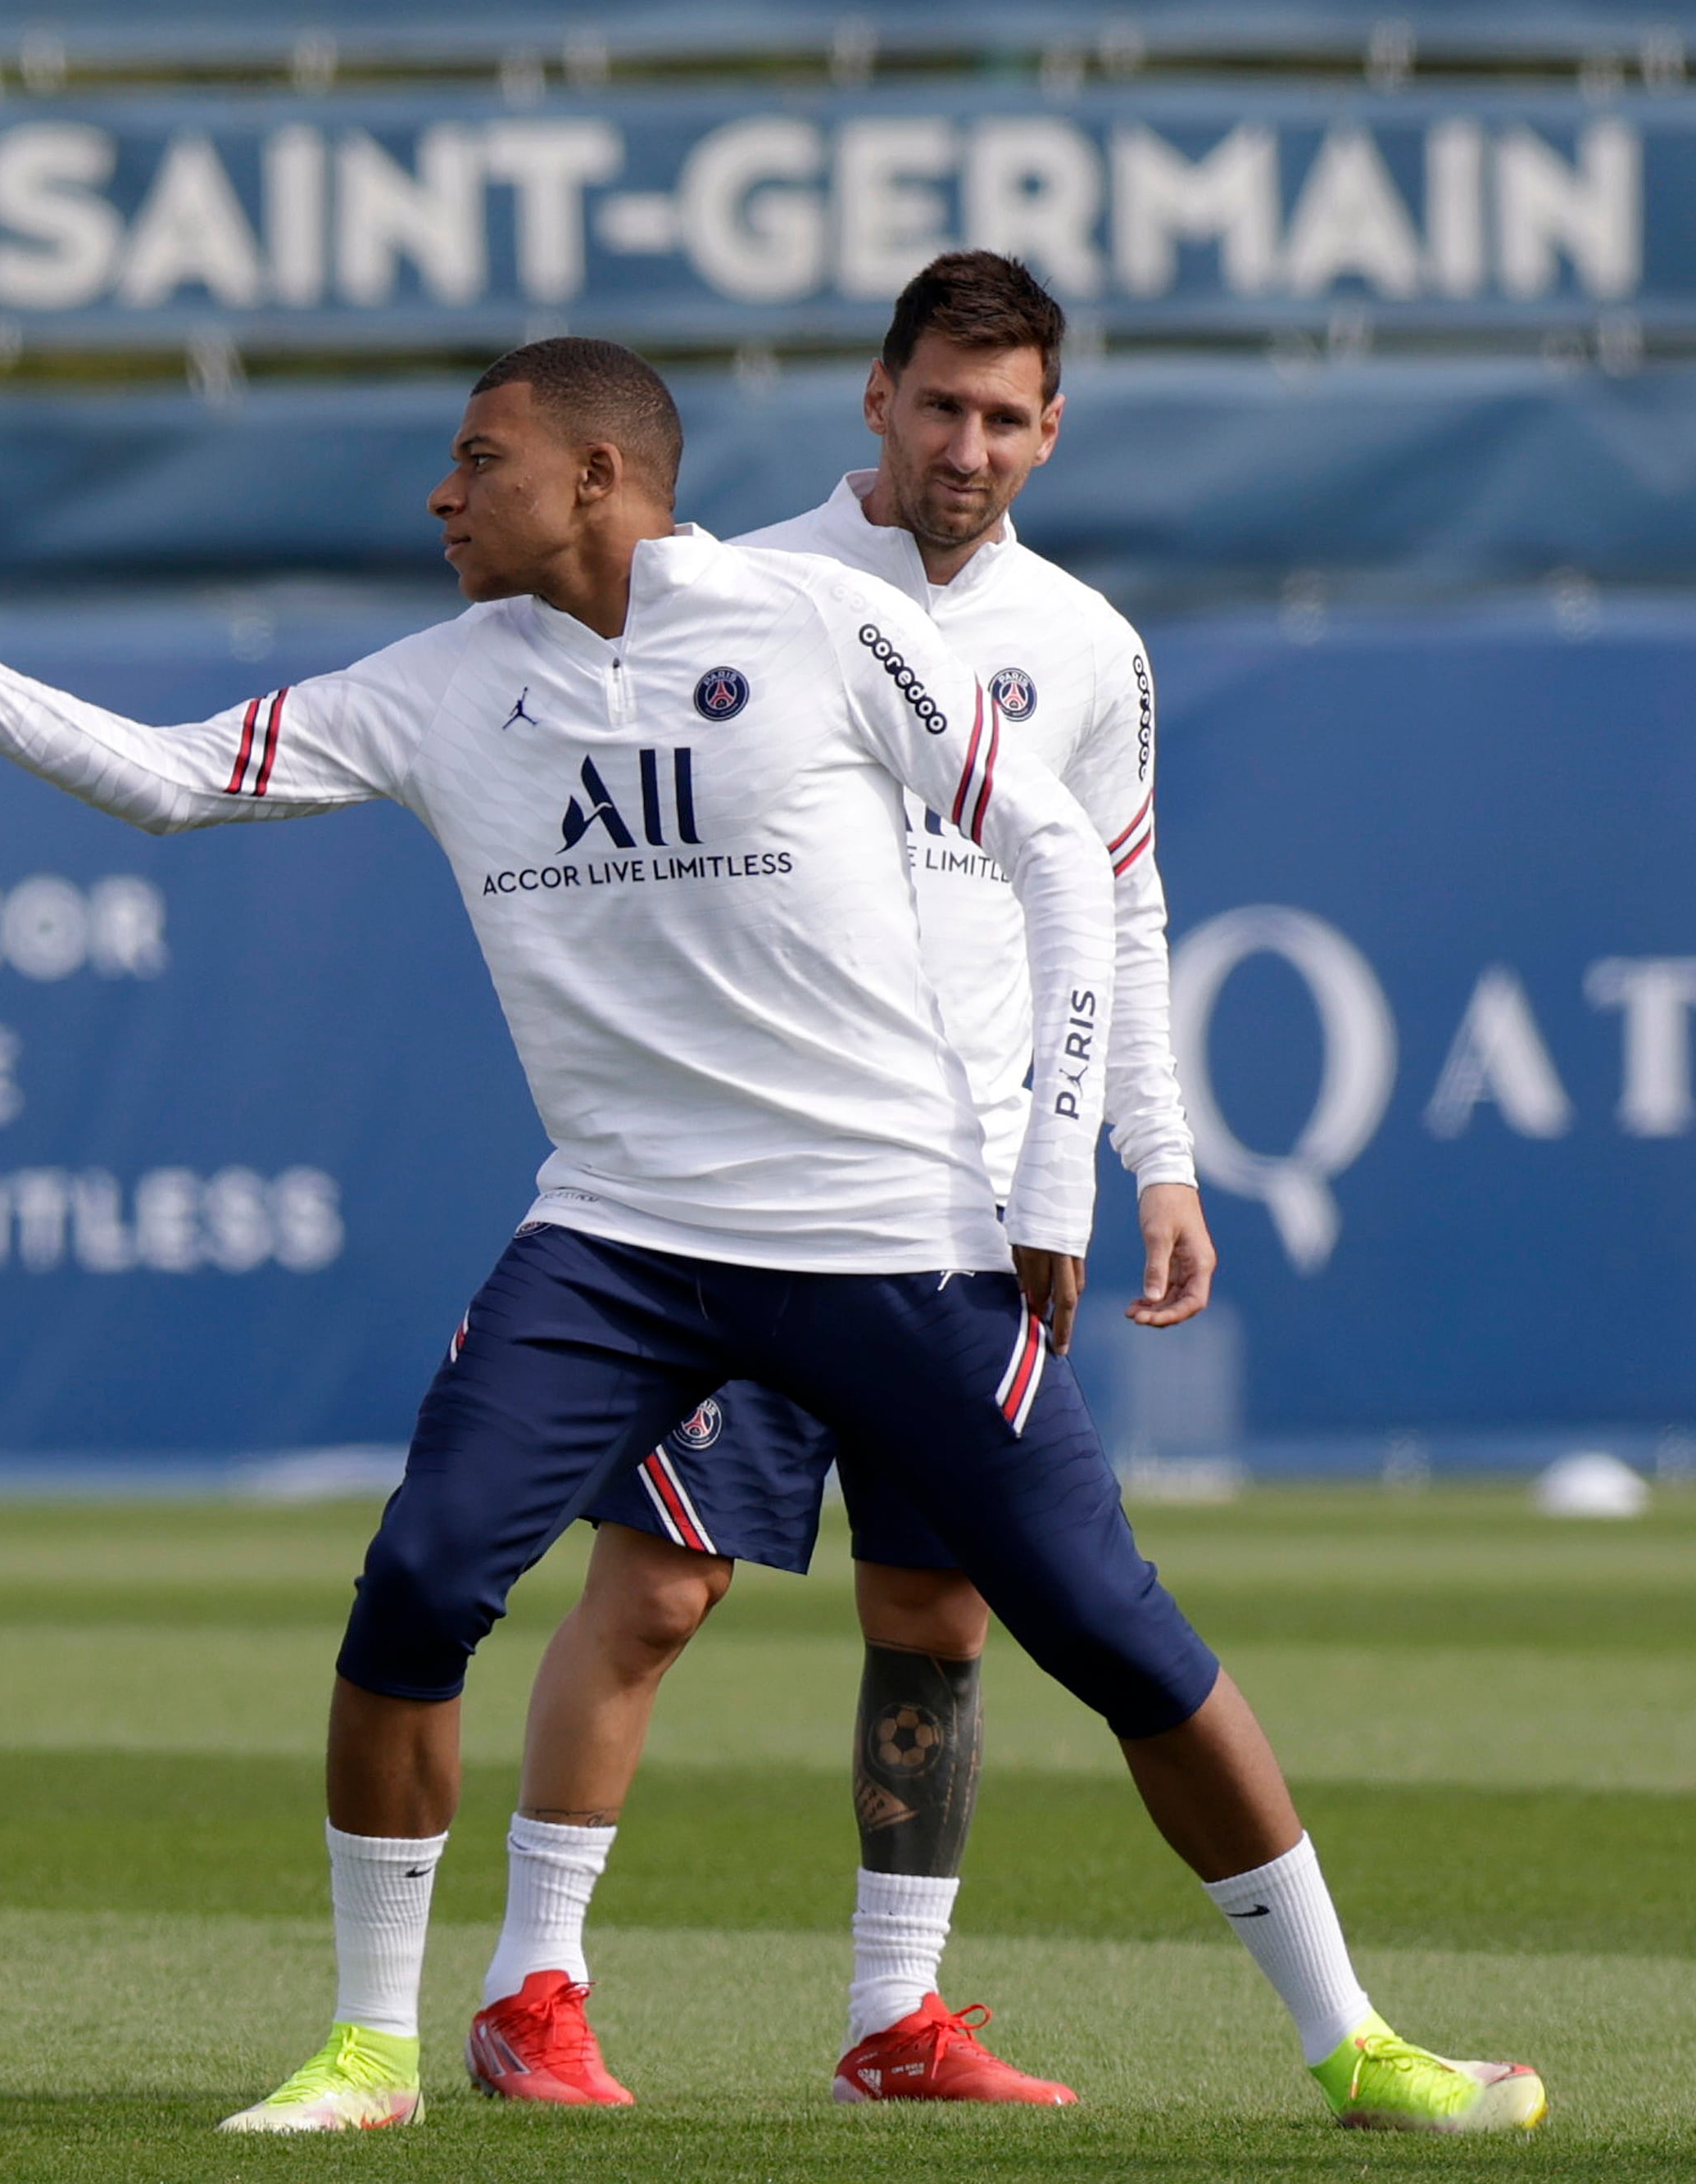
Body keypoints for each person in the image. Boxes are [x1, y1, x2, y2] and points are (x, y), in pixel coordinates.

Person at [0, 334, 1541, 2139]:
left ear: (600, 480)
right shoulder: (443, 685)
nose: (443, 495)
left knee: (1111, 1632)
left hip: (885, 1233)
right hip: (617, 1241)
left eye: (479, 459)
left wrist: (1057, 1172)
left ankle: (1358, 2043)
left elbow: (1063, 860)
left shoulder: (816, 624)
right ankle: (376, 2046)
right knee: (421, 1581)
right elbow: (157, 774)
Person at [469, 251, 1210, 2113]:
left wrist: (1153, 1154)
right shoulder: (751, 590)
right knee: (652, 1588)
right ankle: (529, 1987)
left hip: (963, 1217)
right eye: (937, 404)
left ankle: (897, 2013)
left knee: (936, 1616)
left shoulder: (1089, 647)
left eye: (1004, 416)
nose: (967, 446)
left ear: (1052, 429)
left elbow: (1116, 906)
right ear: (874, 398)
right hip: (757, 1190)